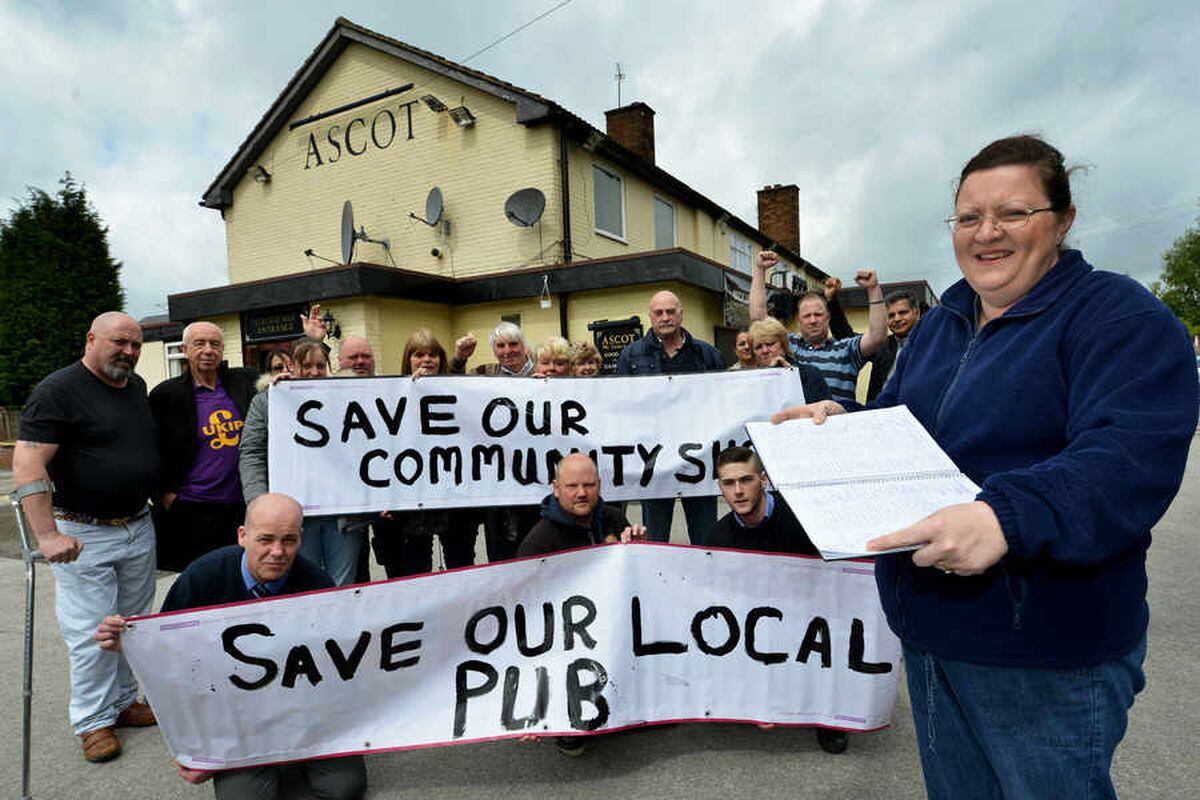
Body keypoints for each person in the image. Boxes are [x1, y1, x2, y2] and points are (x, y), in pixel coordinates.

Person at [772, 135, 1199, 799]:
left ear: (1063, 219)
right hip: (931, 635)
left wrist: (1005, 515)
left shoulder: (1119, 318)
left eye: (1013, 213)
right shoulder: (940, 328)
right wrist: (838, 426)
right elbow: (901, 430)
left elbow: (1125, 455)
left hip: (1046, 654)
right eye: (969, 218)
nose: (987, 233)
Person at [94, 494, 368, 800]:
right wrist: (131, 646)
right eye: (265, 539)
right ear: (243, 536)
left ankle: (287, 758)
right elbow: (167, 655)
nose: (277, 552)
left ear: (301, 539)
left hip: (301, 710)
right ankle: (273, 762)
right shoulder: (201, 578)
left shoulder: (317, 584)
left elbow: (338, 672)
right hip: (234, 716)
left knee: (345, 789)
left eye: (288, 540)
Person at [12, 311, 160, 762]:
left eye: (136, 346)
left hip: (137, 524)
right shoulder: (58, 391)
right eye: (120, 343)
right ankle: (93, 721)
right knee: (93, 632)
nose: (129, 353)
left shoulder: (134, 386)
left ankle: (121, 702)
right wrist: (47, 535)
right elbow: (27, 464)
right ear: (91, 338)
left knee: (130, 626)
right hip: (83, 532)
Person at [707, 446, 849, 754]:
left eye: (746, 480)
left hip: (809, 610)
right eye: (728, 483)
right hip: (758, 617)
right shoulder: (717, 537)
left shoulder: (804, 519)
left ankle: (828, 717)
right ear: (719, 487)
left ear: (764, 479)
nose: (738, 491)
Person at [517, 453, 646, 756]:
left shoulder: (613, 518)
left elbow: (636, 578)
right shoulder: (538, 543)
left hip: (611, 620)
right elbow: (527, 617)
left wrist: (639, 549)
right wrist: (531, 698)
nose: (581, 493)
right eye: (572, 485)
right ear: (556, 488)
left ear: (599, 485)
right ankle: (567, 720)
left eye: (588, 484)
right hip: (567, 635)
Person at [240, 339, 362, 586]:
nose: (314, 372)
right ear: (291, 366)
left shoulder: (346, 397)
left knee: (342, 584)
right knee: (297, 583)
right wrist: (258, 502)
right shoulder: (268, 401)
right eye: (306, 365)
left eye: (320, 365)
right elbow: (252, 452)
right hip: (293, 516)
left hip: (342, 516)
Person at [616, 290, 725, 544]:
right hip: (653, 461)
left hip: (699, 458)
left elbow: (723, 401)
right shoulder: (630, 356)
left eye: (670, 311)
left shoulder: (708, 355)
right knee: (655, 538)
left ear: (681, 314)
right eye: (659, 312)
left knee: (705, 537)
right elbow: (620, 406)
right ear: (650, 317)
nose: (665, 317)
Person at [149, 321, 259, 572]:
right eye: (200, 344)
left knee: (240, 576)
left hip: (240, 506)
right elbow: (148, 449)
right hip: (191, 507)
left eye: (215, 344)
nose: (208, 350)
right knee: (198, 581)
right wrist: (165, 496)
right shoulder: (166, 395)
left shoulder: (245, 382)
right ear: (185, 350)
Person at [371, 329, 479, 576]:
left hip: (455, 501)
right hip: (413, 506)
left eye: (432, 354)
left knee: (461, 567)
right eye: (419, 354)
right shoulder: (392, 395)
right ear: (408, 360)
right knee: (416, 569)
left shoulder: (456, 388)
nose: (426, 360)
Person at [751, 257, 888, 404]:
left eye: (818, 314)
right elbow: (759, 321)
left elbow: (877, 337)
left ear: (828, 317)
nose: (813, 320)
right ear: (799, 321)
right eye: (807, 316)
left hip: (837, 423)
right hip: (797, 423)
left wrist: (873, 289)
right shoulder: (789, 345)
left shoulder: (846, 349)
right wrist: (759, 269)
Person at [746, 318, 834, 404]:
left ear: (784, 345)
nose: (765, 350)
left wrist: (788, 375)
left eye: (770, 344)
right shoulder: (750, 382)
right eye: (758, 347)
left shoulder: (810, 375)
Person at [449, 321, 534, 376]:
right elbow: (450, 384)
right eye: (500, 346)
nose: (507, 351)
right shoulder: (484, 372)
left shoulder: (544, 370)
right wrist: (459, 359)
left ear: (524, 346)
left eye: (513, 344)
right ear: (494, 350)